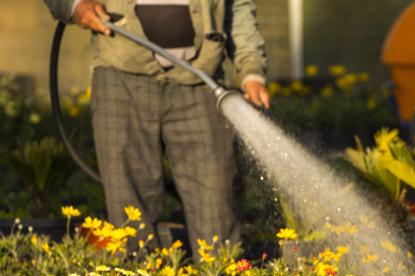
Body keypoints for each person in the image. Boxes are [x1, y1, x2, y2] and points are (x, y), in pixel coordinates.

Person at [43, 0, 271, 256]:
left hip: (200, 78)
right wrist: (73, 6)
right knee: (128, 208)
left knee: (216, 205)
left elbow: (237, 6)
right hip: (121, 74)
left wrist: (251, 70)